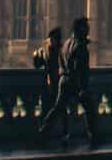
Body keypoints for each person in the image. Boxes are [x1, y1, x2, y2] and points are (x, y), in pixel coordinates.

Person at [38, 15, 101, 149]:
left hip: (64, 80)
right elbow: (79, 67)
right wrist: (82, 86)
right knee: (89, 109)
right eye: (86, 27)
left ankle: (43, 131)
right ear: (81, 28)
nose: (89, 29)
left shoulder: (66, 43)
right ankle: (94, 136)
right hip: (75, 82)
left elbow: (62, 62)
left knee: (58, 108)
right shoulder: (80, 45)